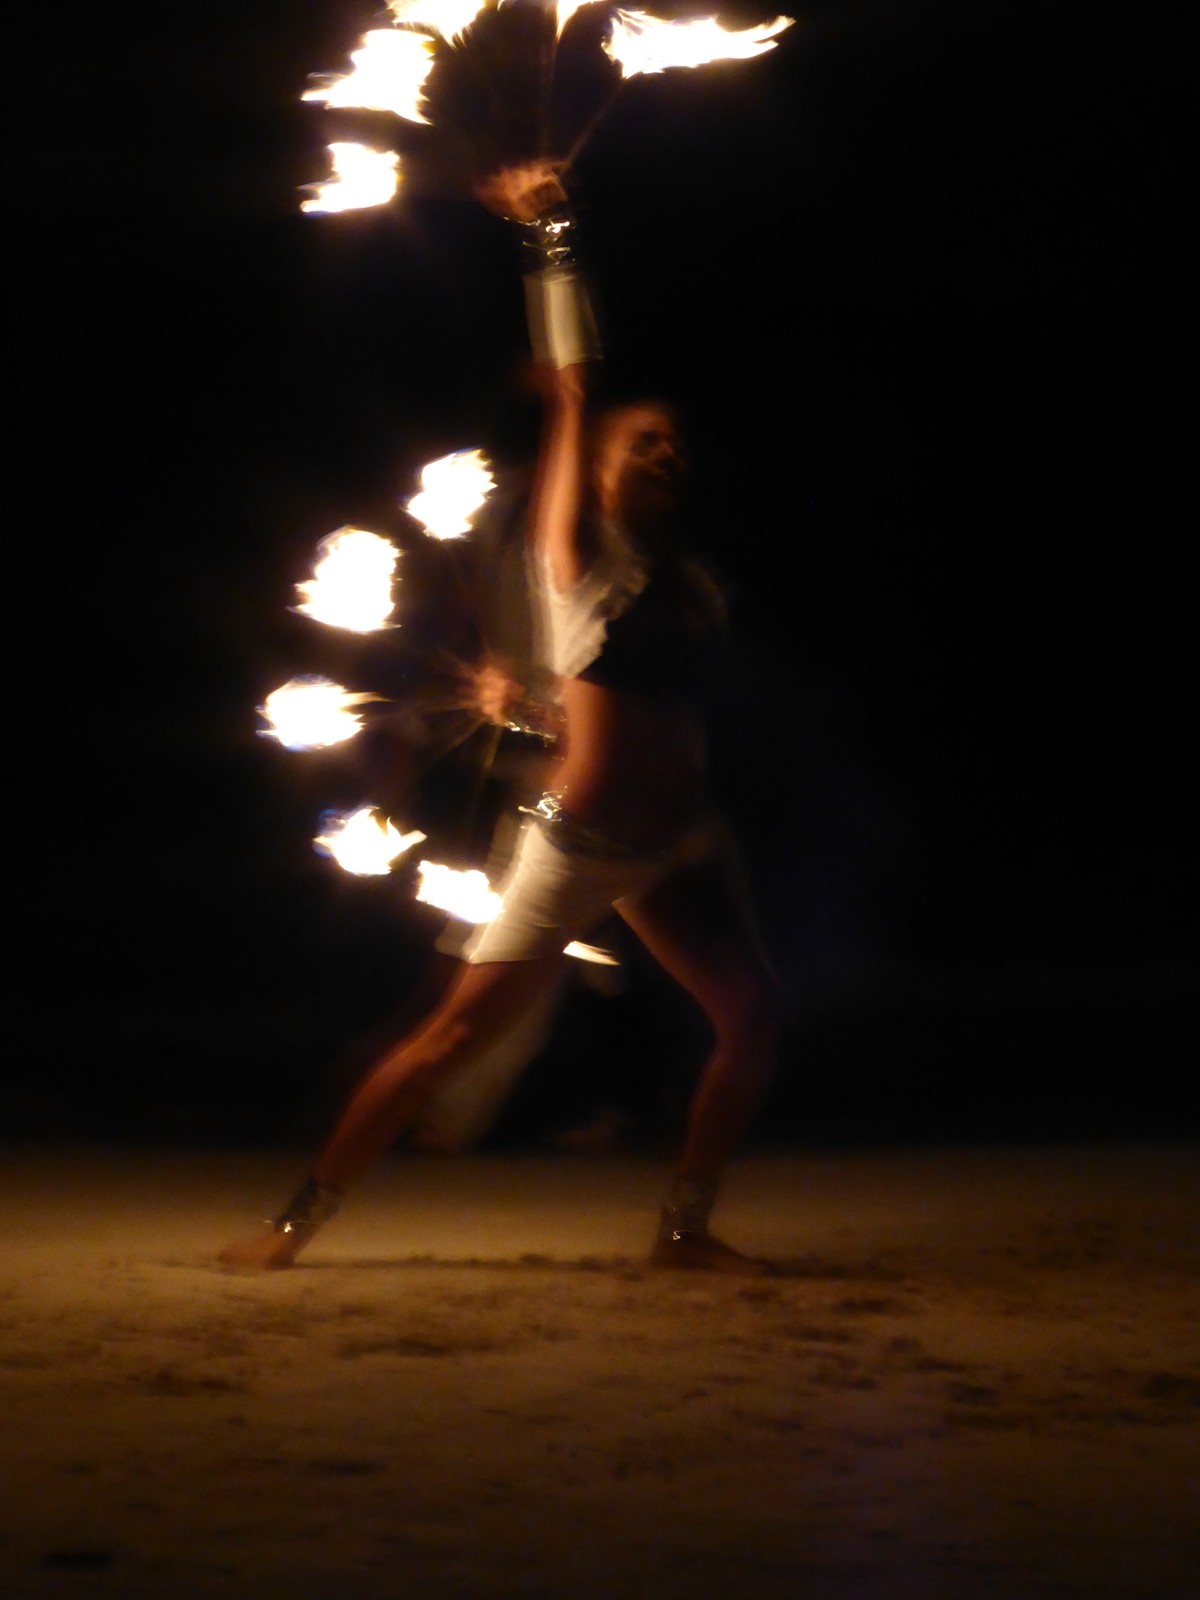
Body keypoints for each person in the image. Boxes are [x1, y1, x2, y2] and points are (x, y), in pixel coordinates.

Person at [220, 168, 782, 1272]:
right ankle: (295, 1221)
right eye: (644, 441)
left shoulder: (697, 586)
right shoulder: (579, 556)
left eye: (674, 443)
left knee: (754, 1020)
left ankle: (685, 1226)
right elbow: (575, 386)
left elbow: (620, 705)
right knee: (445, 1041)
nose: (665, 452)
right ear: (604, 472)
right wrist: (554, 235)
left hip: (668, 848)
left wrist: (526, 701)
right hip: (573, 849)